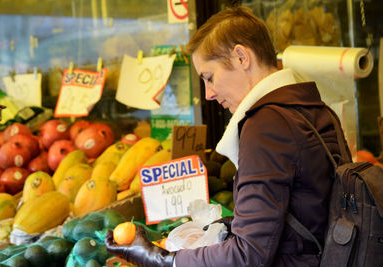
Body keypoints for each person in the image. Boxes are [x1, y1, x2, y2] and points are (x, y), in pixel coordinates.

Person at [105, 5, 349, 267]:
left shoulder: (267, 125)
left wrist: (160, 259)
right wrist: (230, 225)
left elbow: (248, 256)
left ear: (241, 57)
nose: (208, 93)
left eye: (209, 78)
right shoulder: (315, 109)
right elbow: (307, 208)